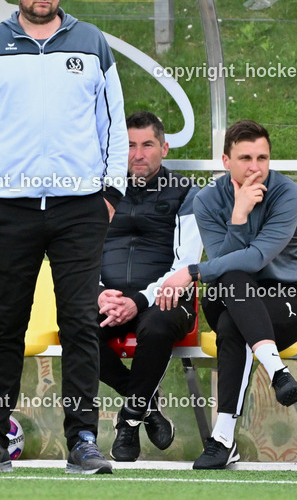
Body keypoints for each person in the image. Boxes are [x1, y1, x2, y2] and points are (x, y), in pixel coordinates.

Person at [0, 0, 128, 474]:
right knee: (6, 325)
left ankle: (83, 440)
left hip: (80, 209)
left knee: (80, 324)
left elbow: (113, 125)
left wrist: (110, 194)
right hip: (10, 208)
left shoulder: (92, 43)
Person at [157, 119, 297, 470]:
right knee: (232, 279)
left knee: (233, 326)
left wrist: (191, 271)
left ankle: (222, 439)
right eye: (245, 158)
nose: (255, 168)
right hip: (229, 293)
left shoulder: (287, 194)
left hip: (290, 299)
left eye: (262, 158)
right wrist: (239, 214)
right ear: (226, 161)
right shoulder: (208, 199)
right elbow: (224, 265)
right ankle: (278, 372)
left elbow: (257, 258)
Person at [97, 112, 202, 461]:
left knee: (157, 325)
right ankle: (147, 404)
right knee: (73, 327)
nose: (138, 154)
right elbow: (80, 250)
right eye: (129, 145)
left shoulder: (186, 193)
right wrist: (99, 293)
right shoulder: (100, 191)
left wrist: (139, 300)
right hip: (109, 298)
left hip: (165, 299)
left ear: (164, 148)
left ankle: (128, 421)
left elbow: (185, 265)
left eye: (147, 145)